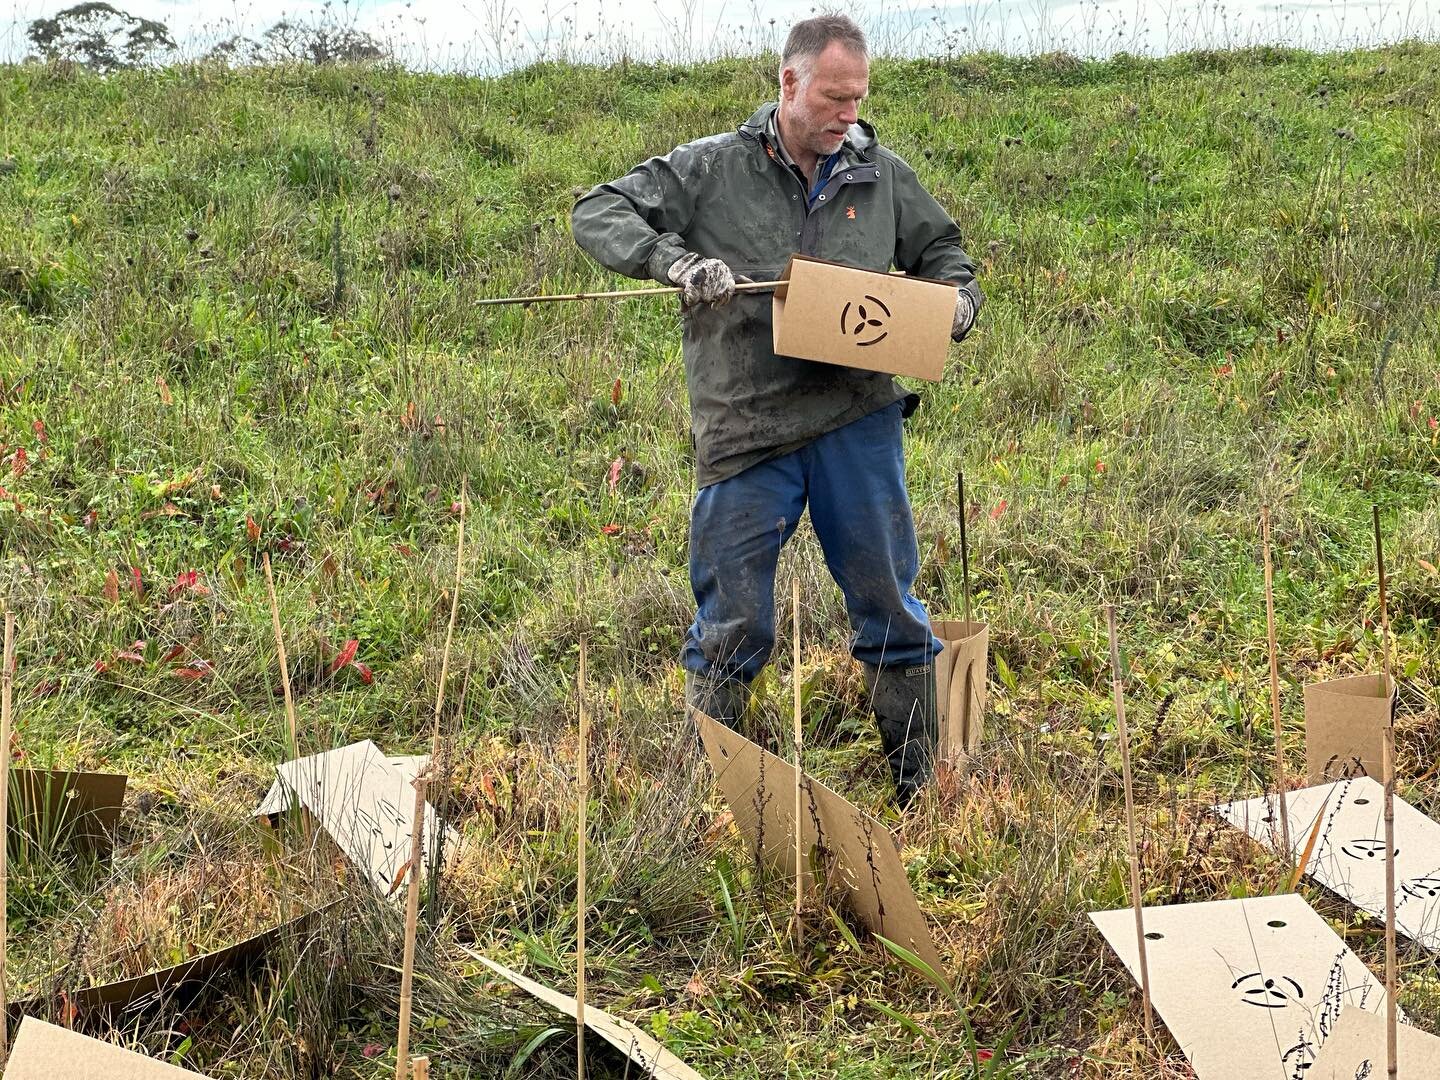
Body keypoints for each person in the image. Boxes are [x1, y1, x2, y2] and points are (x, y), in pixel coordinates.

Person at [571, 14, 983, 806]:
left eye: (858, 100)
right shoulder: (711, 170)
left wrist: (956, 301)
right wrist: (674, 261)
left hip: (855, 420)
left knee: (892, 611)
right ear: (788, 82)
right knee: (733, 627)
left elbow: (944, 253)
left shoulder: (880, 174)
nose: (847, 115)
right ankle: (711, 805)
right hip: (746, 429)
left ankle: (923, 798)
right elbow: (599, 209)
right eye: (833, 97)